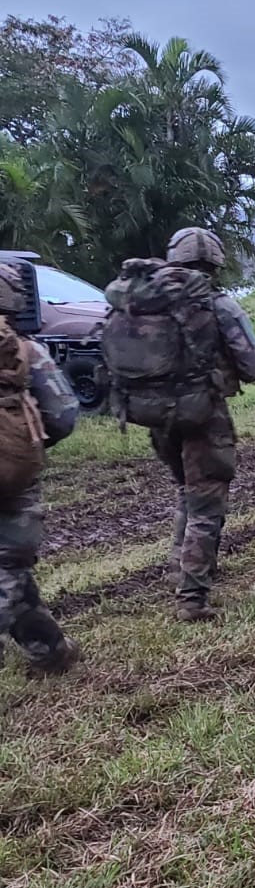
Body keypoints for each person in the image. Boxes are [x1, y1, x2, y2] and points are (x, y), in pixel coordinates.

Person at [147, 228, 255, 620]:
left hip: (155, 416)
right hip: (203, 416)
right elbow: (252, 367)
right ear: (213, 264)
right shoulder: (219, 307)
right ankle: (192, 598)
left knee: (185, 492)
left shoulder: (145, 302)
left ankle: (178, 567)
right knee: (206, 504)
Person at [0, 262, 82, 675]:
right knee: (9, 566)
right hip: (10, 478)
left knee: (12, 571)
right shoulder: (24, 350)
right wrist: (23, 442)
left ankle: (49, 650)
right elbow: (64, 415)